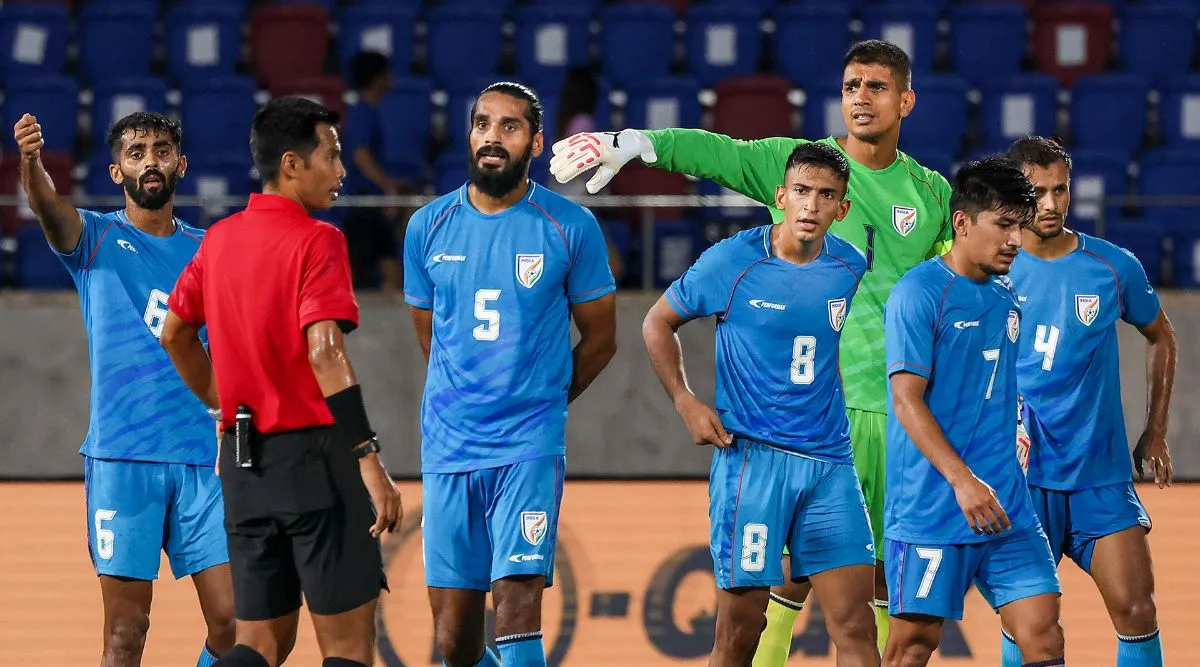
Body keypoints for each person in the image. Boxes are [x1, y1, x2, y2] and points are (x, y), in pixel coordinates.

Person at [550, 40, 952, 660]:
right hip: (814, 416)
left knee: (877, 582)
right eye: (851, 86)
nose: (861, 98)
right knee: (781, 585)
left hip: (900, 410)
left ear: (906, 100)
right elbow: (717, 153)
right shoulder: (796, 167)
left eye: (876, 86)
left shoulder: (930, 194)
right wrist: (636, 144)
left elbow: (957, 289)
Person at [160, 97, 402, 667]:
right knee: (346, 648)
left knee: (258, 644)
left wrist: (224, 401)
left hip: (242, 462)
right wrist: (368, 459)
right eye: (334, 156)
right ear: (292, 164)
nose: (342, 171)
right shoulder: (319, 240)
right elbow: (325, 351)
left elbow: (174, 333)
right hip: (315, 459)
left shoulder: (217, 240)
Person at [403, 81, 617, 667]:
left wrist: (548, 396)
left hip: (527, 444)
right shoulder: (427, 226)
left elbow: (602, 339)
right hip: (449, 446)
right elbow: (431, 332)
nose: (492, 138)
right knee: (455, 638)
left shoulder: (569, 226)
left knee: (518, 607)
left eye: (510, 126)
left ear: (536, 141)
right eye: (482, 124)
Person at [642, 143, 878, 666]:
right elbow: (656, 321)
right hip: (754, 461)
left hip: (829, 464)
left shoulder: (850, 263)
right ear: (780, 196)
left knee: (857, 627)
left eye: (825, 195)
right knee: (740, 633)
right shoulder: (733, 260)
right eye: (800, 192)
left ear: (842, 207)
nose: (811, 206)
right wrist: (684, 400)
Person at [13, 111, 234, 667]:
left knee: (237, 624)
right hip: (122, 460)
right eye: (136, 153)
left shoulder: (213, 251)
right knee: (125, 635)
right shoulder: (94, 238)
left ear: (180, 165)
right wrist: (32, 162)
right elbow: (46, 207)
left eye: (161, 150)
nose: (150, 161)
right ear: (117, 172)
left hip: (203, 460)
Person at [997, 137, 1177, 667]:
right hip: (1022, 479)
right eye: (1037, 192)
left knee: (1138, 610)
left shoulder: (1112, 266)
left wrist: (1157, 429)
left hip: (1098, 474)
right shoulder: (989, 268)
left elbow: (1161, 336)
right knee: (1029, 625)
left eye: (1060, 191)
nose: (1050, 204)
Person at [883, 157, 1064, 666]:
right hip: (933, 509)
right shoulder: (919, 294)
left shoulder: (1007, 297)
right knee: (911, 648)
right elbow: (906, 399)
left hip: (1006, 506)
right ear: (962, 223)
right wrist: (963, 481)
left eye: (1019, 227)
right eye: (1003, 225)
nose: (1015, 240)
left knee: (1043, 635)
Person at [342, 49, 403, 290]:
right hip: (363, 204)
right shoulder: (362, 113)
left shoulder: (366, 111)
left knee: (383, 260)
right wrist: (388, 187)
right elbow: (360, 155)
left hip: (370, 203)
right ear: (378, 78)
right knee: (365, 268)